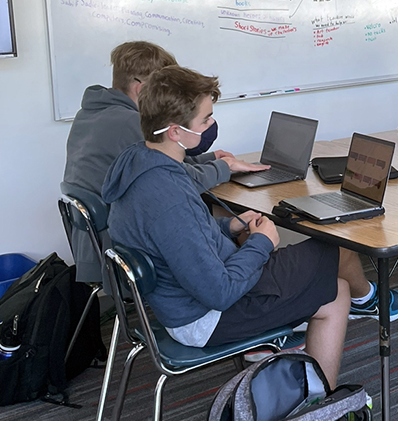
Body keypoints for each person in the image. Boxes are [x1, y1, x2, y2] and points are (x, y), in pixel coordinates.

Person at [102, 65, 398, 386]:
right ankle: (326, 393)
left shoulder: (141, 163)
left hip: (185, 300)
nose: (211, 125)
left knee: (336, 291)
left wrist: (230, 229)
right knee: (334, 251)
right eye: (205, 120)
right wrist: (260, 242)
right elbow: (219, 292)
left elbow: (178, 240)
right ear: (175, 131)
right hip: (204, 317)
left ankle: (320, 400)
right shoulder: (167, 196)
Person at [63, 41, 261, 283]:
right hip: (125, 253)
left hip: (93, 243)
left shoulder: (91, 113)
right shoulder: (130, 122)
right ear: (142, 88)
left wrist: (210, 159)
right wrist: (224, 167)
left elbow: (162, 165)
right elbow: (178, 181)